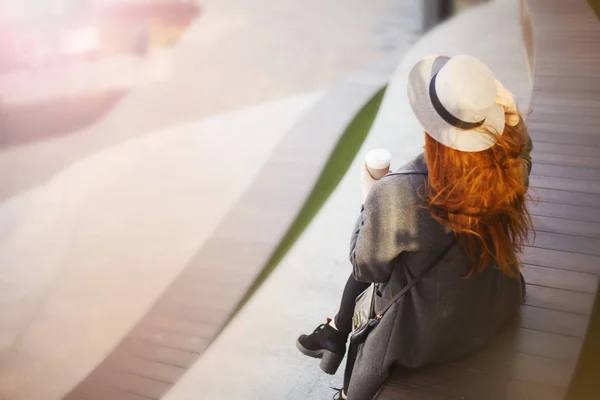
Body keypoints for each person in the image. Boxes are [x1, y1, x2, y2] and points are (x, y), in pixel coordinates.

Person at [296, 54, 533, 400]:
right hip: (491, 307)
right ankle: (334, 333)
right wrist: (513, 124)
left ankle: (337, 341)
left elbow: (367, 266)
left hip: (423, 336)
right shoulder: (506, 170)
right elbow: (523, 156)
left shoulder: (400, 193)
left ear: (431, 126)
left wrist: (370, 198)